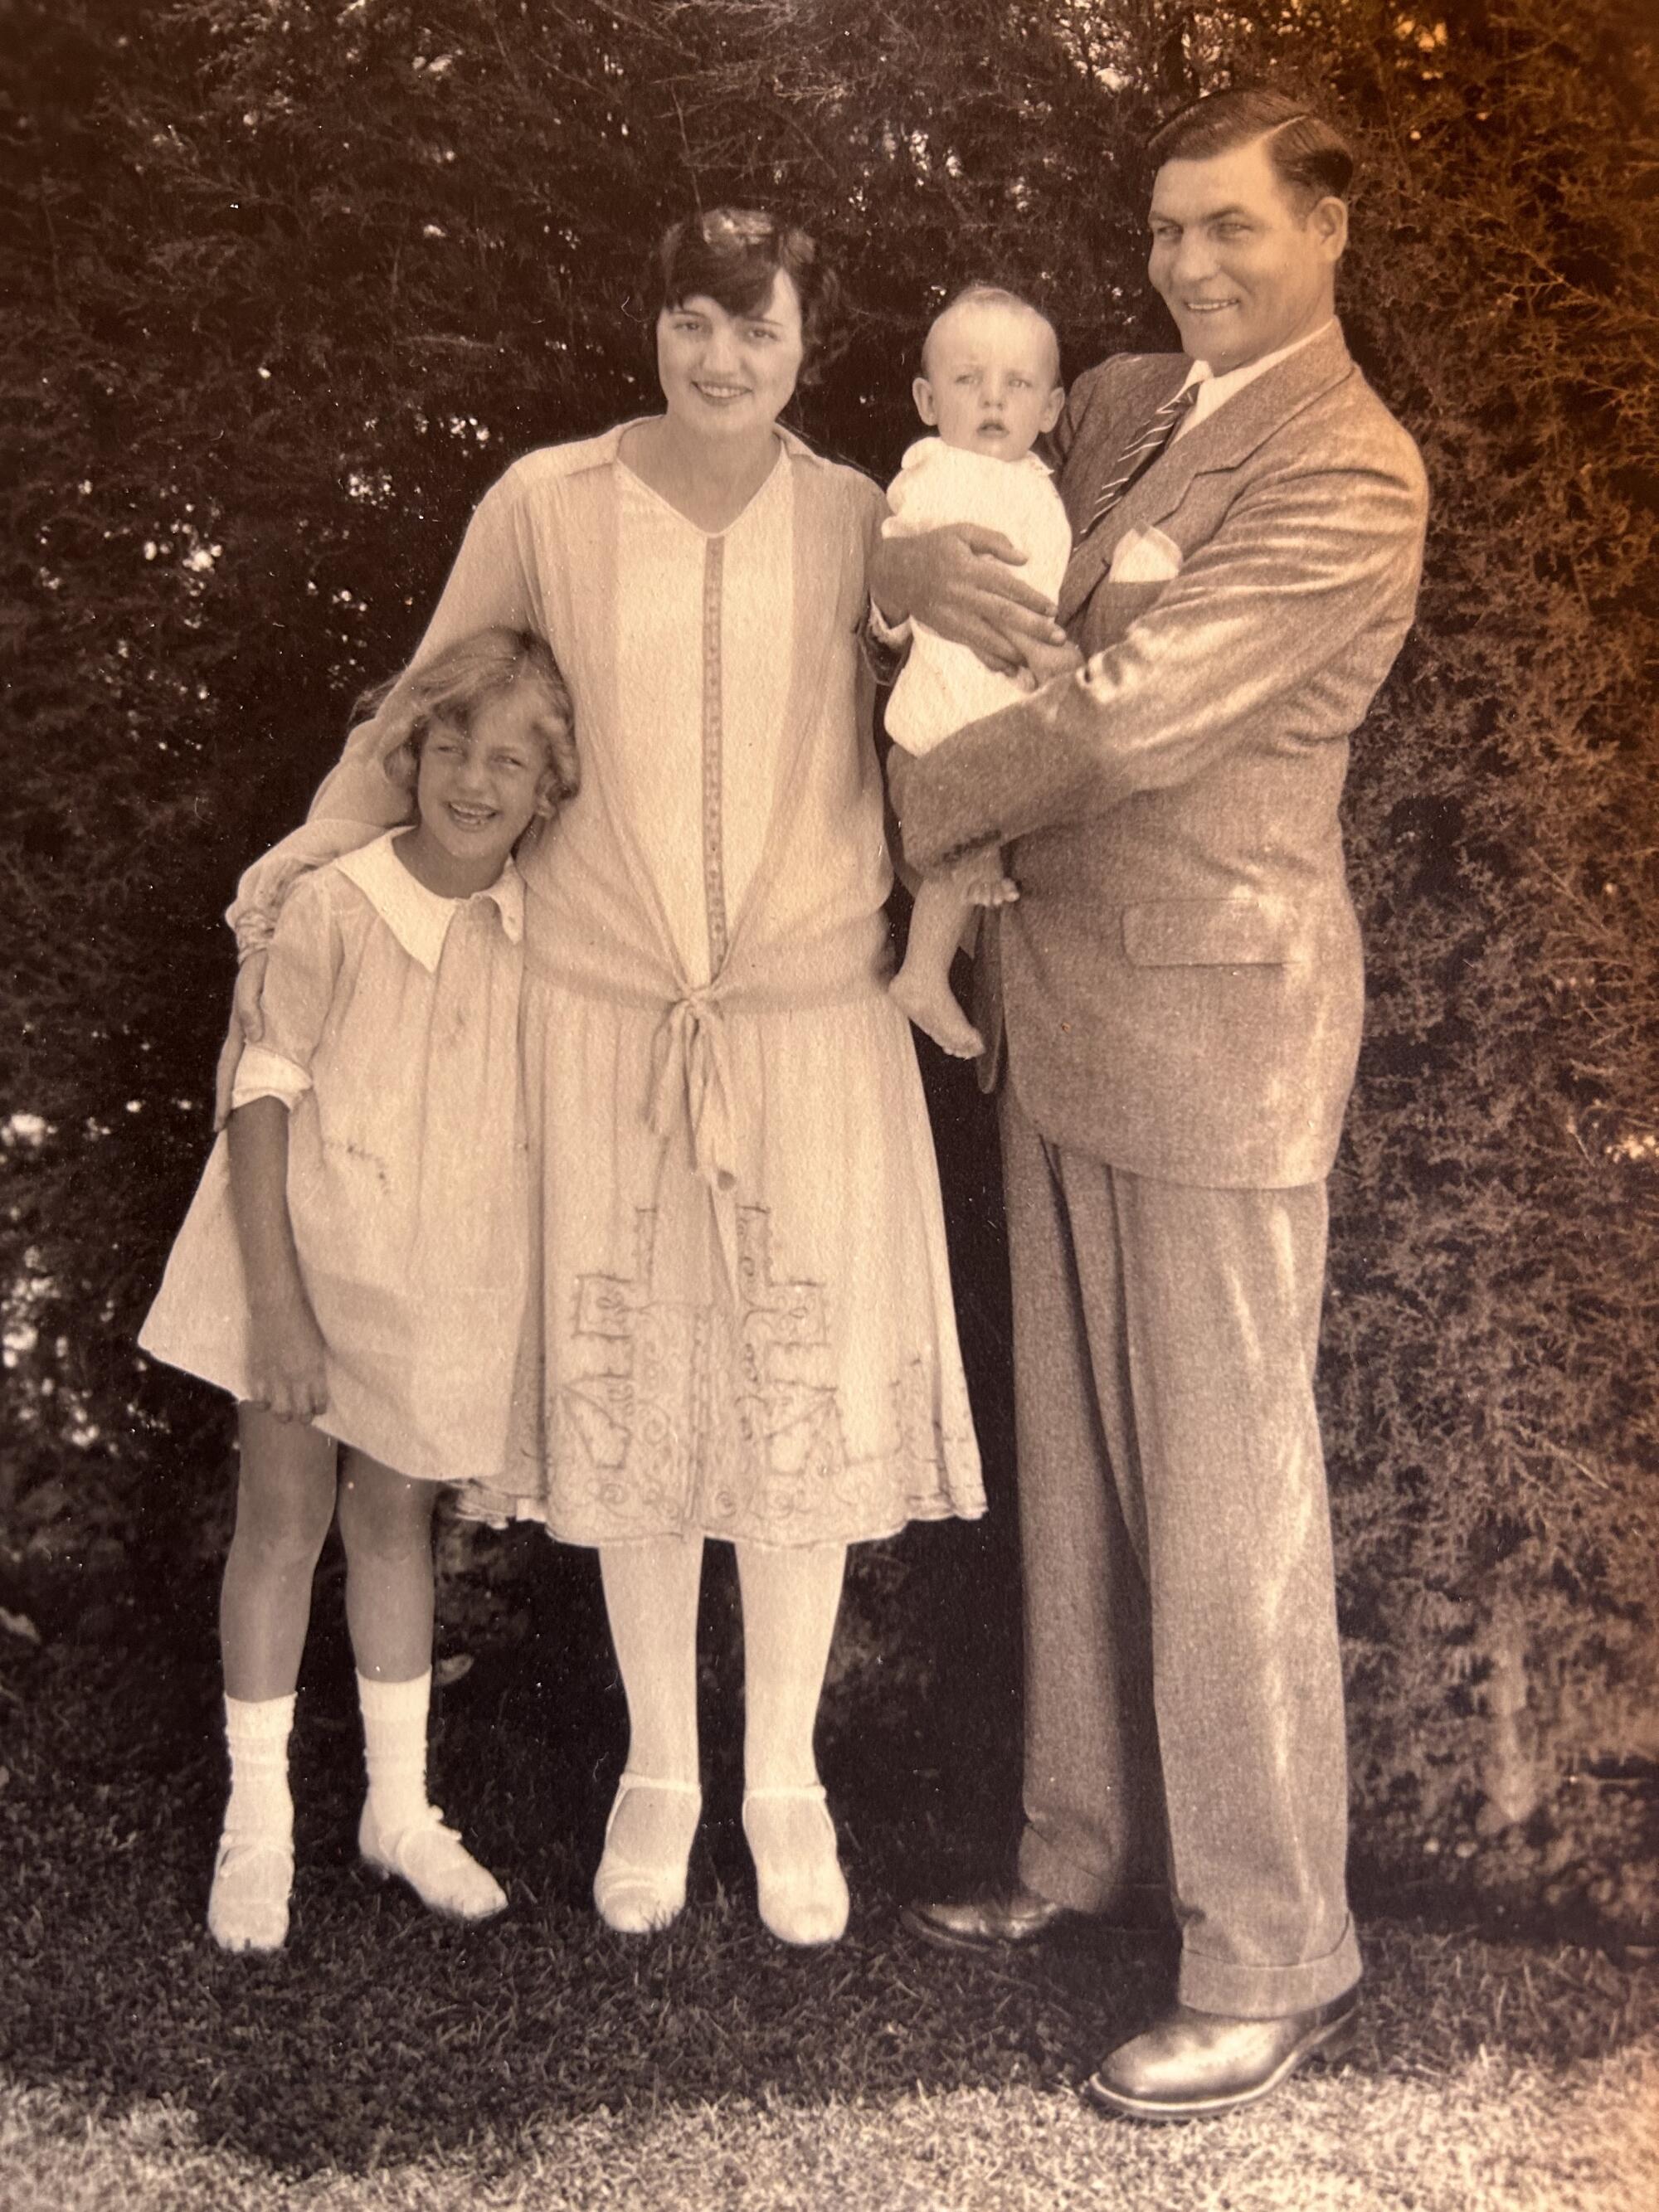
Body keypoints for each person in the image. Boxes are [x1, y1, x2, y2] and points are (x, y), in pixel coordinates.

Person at [226, 209, 985, 1950]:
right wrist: (314, 842)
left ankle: (783, 1776)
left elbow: (972, 695)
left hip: (808, 1018)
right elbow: (424, 702)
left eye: (762, 331)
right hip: (598, 1019)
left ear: (809, 347)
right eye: (694, 322)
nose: (723, 358)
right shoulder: (545, 503)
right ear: (655, 327)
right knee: (637, 1389)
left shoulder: (863, 516)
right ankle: (663, 1767)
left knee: (790, 1388)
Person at [877, 90, 1428, 2118]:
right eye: (1164, 231)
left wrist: (891, 804)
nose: (1188, 265)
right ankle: (1078, 1853)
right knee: (1078, 1469)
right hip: (1057, 995)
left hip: (1219, 1029)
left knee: (1223, 1508)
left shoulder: (1351, 472)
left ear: (1326, 229)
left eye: (1228, 229)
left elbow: (1128, 712)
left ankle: (1277, 1953)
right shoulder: (1114, 399)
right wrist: (917, 566)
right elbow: (957, 503)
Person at [140, 628, 579, 1953]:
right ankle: (257, 1818)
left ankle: (398, 1807)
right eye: (454, 746)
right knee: (280, 1522)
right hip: (308, 1260)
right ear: (411, 753)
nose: (476, 779)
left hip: (432, 1277)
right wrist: (276, 1304)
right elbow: (260, 1090)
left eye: (512, 761)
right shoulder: (335, 904)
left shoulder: (532, 928)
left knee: (395, 1525)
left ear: (548, 793)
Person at [882, 284, 1073, 1059]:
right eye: (968, 381)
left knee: (969, 851)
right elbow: (950, 607)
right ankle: (926, 969)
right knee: (970, 836)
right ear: (928, 399)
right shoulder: (942, 476)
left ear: (1052, 409)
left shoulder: (1029, 482)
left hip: (997, 697)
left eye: (1017, 385)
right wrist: (1038, 660)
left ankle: (930, 966)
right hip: (955, 704)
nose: (993, 399)